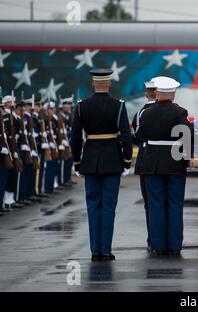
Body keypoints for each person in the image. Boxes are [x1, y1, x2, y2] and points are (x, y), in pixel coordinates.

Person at [71, 68, 132, 261]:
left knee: (92, 206)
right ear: (109, 84)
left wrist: (77, 162)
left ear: (93, 84)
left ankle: (95, 250)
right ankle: (105, 250)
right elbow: (126, 136)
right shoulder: (118, 105)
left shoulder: (82, 106)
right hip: (112, 161)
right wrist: (127, 160)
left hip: (90, 160)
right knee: (108, 207)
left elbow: (75, 138)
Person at [136, 76, 193, 256]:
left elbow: (139, 135)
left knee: (156, 205)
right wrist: (186, 158)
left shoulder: (146, 113)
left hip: (152, 163)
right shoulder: (180, 112)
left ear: (157, 93)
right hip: (174, 163)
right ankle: (174, 245)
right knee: (175, 205)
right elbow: (188, 136)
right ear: (173, 94)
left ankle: (157, 245)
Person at [132, 79, 157, 249]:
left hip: (145, 160)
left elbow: (137, 137)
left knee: (149, 203)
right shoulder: (171, 109)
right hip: (166, 161)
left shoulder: (140, 113)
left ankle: (152, 239)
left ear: (146, 94)